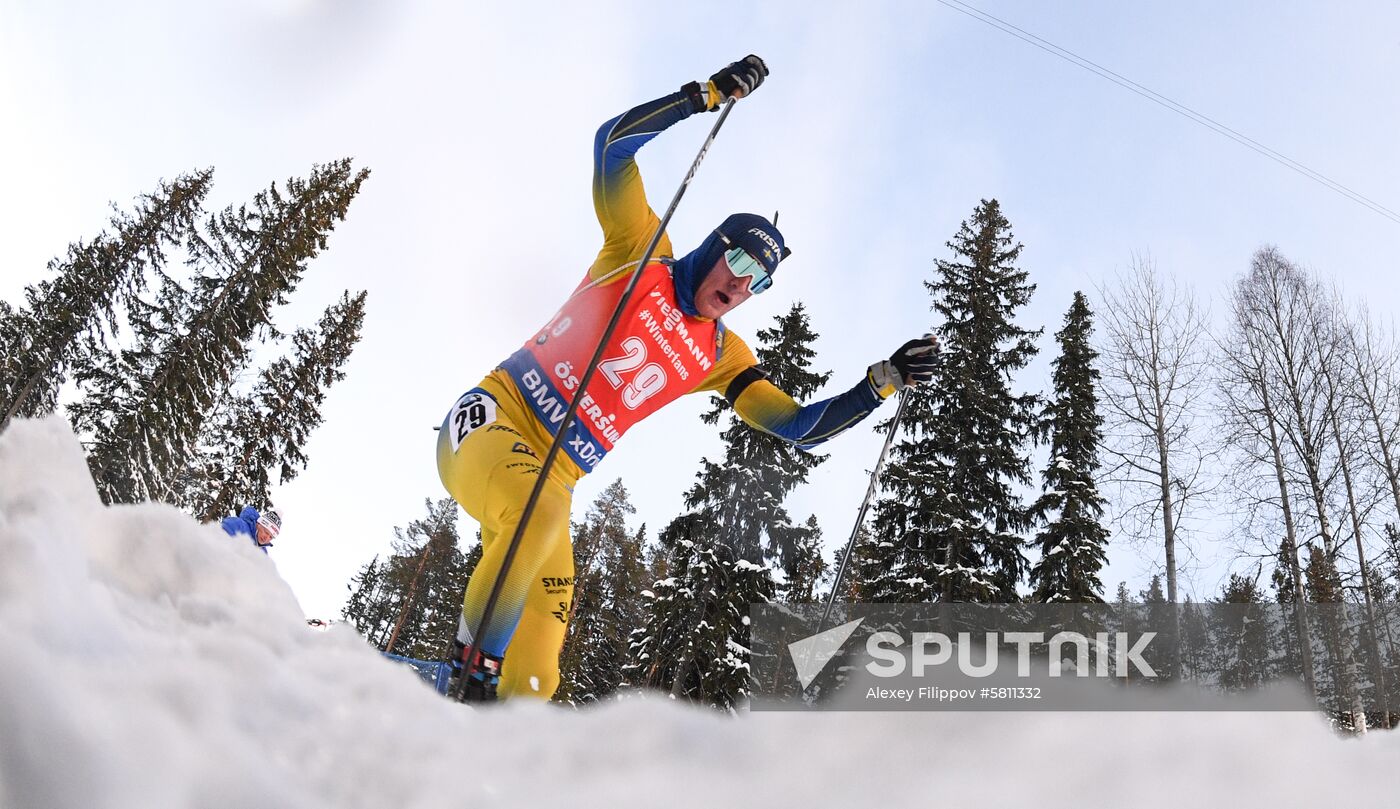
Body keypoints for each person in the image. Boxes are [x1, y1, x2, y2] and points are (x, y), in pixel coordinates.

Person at [436, 55, 938, 702]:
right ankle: (469, 676)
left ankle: (510, 734)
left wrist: (882, 381)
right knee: (539, 518)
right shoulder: (640, 248)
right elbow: (613, 147)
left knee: (552, 607)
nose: (737, 283)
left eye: (757, 279)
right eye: (734, 260)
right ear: (712, 248)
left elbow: (797, 426)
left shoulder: (721, 354)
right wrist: (701, 96)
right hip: (494, 418)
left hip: (553, 474)